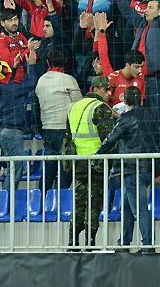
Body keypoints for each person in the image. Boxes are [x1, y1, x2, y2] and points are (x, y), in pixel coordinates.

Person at [97, 86, 160, 252]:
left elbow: (110, 139)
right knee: (127, 206)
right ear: (140, 100)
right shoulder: (151, 115)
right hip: (148, 167)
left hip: (132, 168)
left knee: (139, 208)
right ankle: (124, 242)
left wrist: (97, 156)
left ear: (126, 101)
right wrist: (159, 168)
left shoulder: (126, 118)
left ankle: (148, 245)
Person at [0, 39, 41, 190]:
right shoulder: (14, 88)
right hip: (13, 132)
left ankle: (5, 197)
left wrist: (13, 68)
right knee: (15, 170)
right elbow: (32, 83)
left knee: (10, 167)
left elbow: (5, 82)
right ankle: (8, 198)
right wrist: (31, 65)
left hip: (2, 130)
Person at [65, 75, 115, 249]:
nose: (109, 93)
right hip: (96, 165)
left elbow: (68, 135)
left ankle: (72, 242)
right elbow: (109, 139)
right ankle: (90, 242)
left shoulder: (73, 107)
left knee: (78, 204)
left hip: (77, 164)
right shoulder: (101, 108)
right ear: (96, 89)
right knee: (93, 205)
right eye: (106, 89)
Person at [35, 47, 82, 189]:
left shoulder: (41, 80)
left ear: (48, 62)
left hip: (47, 129)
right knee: (65, 168)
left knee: (49, 167)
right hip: (64, 130)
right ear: (65, 61)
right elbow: (79, 104)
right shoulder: (69, 80)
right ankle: (61, 198)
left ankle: (42, 198)